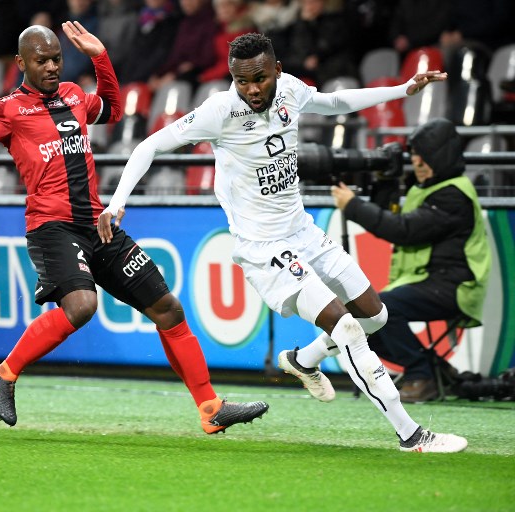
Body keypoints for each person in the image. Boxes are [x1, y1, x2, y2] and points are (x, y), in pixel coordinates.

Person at [100, 32, 467, 452]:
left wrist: (402, 89)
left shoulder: (290, 89)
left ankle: (303, 359)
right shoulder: (220, 111)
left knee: (375, 315)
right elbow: (149, 146)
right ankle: (412, 435)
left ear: (276, 70)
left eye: (259, 78)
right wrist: (117, 203)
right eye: (241, 81)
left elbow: (334, 102)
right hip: (264, 248)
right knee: (346, 327)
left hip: (303, 231)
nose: (252, 90)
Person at [0, 22, 269, 433]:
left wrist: (101, 58)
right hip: (53, 227)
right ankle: (4, 374)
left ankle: (210, 408)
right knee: (82, 306)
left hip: (97, 225)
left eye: (56, 59)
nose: (51, 67)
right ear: (21, 63)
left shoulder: (73, 95)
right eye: (41, 61)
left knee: (168, 308)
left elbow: (114, 110)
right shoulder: (9, 108)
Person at [331, 118, 491, 403]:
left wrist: (353, 206)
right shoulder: (426, 189)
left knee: (383, 308)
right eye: (414, 155)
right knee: (366, 319)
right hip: (430, 281)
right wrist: (385, 183)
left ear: (441, 156)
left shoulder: (454, 194)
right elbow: (390, 216)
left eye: (424, 156)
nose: (417, 162)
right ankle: (435, 369)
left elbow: (403, 230)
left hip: (455, 286)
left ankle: (422, 375)